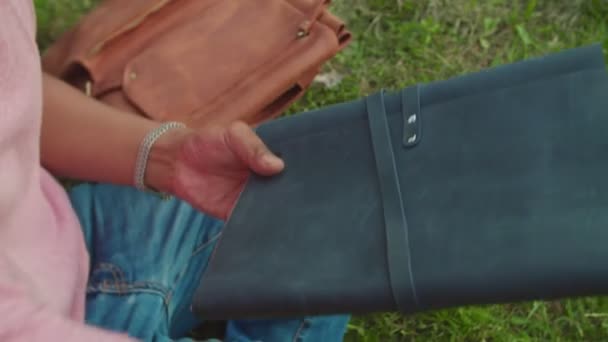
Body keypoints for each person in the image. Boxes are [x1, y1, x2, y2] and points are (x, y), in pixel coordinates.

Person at [0, 1, 350, 341]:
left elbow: (16, 91)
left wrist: (167, 155)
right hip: (55, 319)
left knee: (314, 210)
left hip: (62, 236)